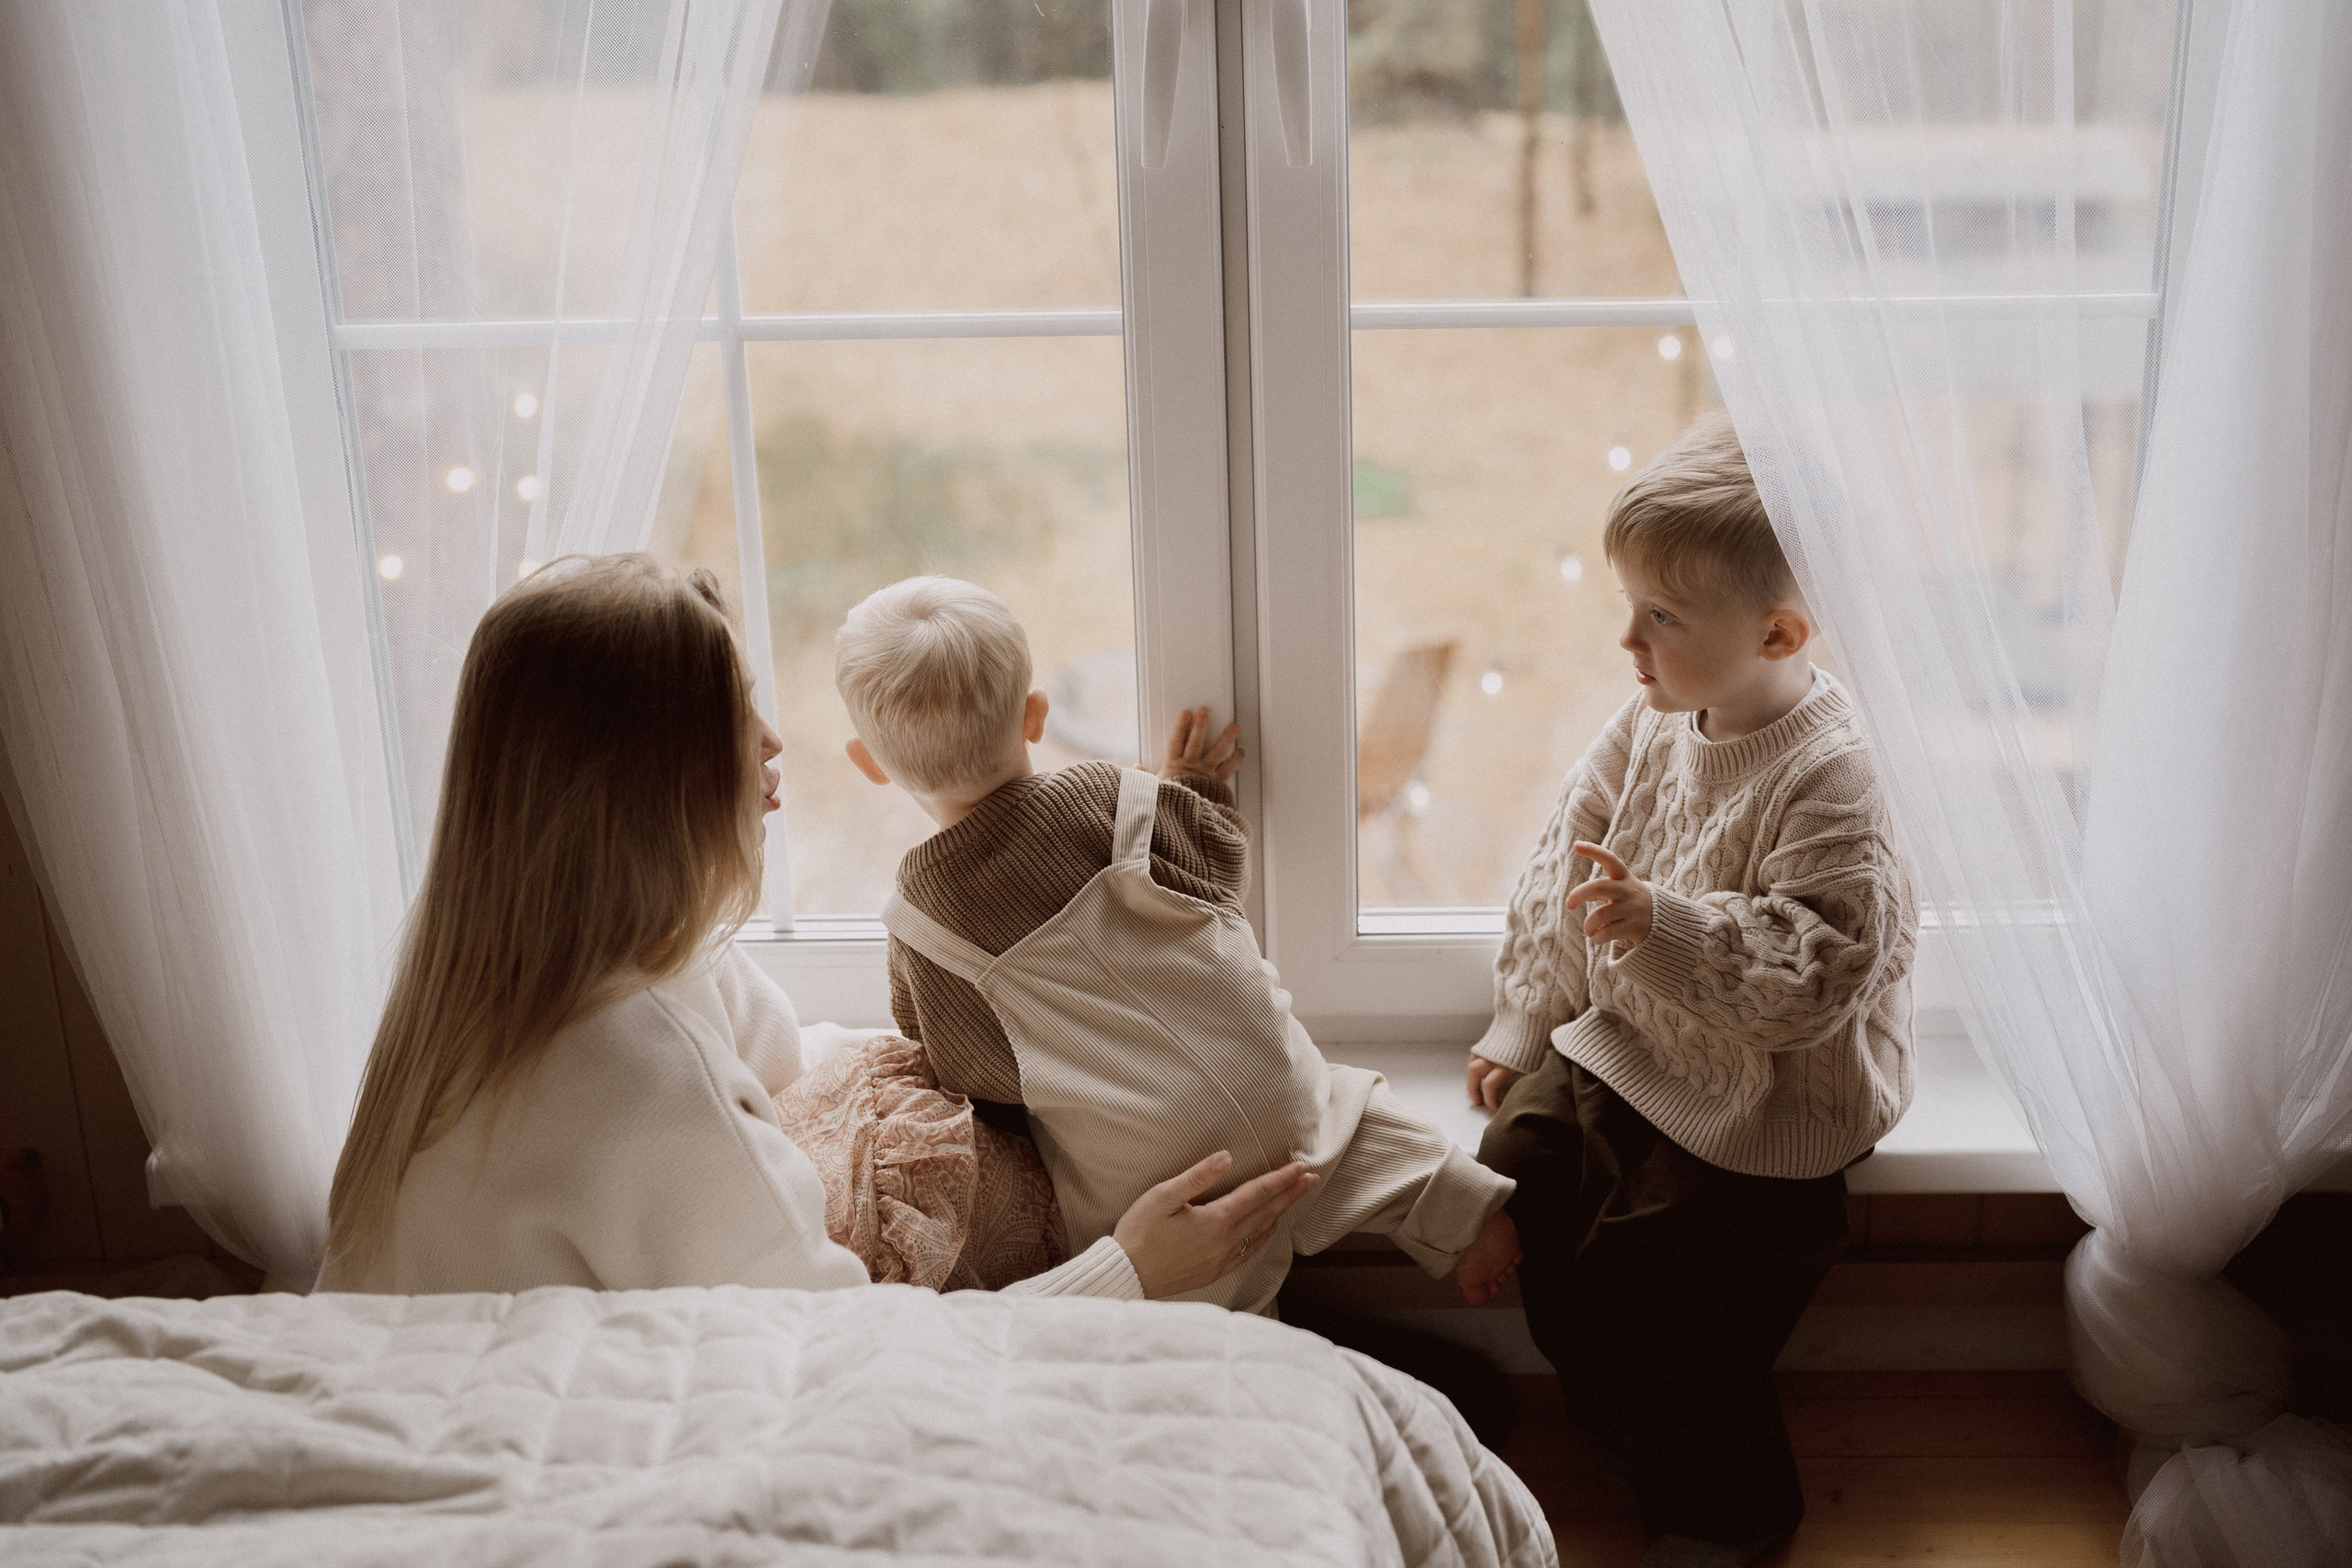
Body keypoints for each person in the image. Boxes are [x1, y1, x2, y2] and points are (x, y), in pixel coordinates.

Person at [316, 555, 1312, 1302]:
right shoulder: (636, 1070)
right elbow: (843, 1348)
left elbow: (783, 1054)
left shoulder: (537, 952)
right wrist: (1128, 1270)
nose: (772, 740)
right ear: (645, 783)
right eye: (737, 714)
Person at [1464, 413, 1917, 1568]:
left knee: (1677, 1306)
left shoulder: (1832, 778)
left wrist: (1662, 925)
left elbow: (1812, 978)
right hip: (1631, 1040)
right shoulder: (1652, 716)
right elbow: (1564, 865)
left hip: (1765, 1094)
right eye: (1631, 607)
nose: (1627, 639)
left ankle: (1731, 1512)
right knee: (1513, 1169)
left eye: (1660, 617)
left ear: (1777, 633)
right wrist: (1525, 1016)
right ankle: (1616, 1408)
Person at [834, 576, 1521, 1316]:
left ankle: (1260, 1345)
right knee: (1352, 1120)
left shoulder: (923, 926)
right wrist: (1194, 786)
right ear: (1035, 714)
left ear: (869, 762)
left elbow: (973, 1070)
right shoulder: (1116, 796)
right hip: (1273, 1088)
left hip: (1152, 1176)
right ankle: (1463, 1212)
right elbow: (1221, 862)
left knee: (1199, 1313)